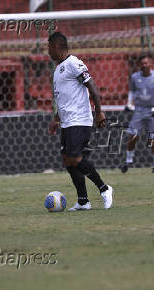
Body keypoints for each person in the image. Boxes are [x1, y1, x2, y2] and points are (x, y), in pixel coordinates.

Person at [47, 32, 113, 211]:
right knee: (68, 160)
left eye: (48, 48)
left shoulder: (73, 63)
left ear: (56, 47)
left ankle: (104, 188)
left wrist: (99, 112)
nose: (47, 52)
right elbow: (62, 99)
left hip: (80, 120)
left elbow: (91, 85)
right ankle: (83, 201)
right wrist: (55, 119)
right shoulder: (58, 70)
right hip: (67, 122)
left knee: (75, 158)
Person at [122, 54, 154, 174]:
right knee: (132, 135)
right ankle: (128, 161)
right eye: (142, 63)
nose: (144, 65)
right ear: (139, 65)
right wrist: (129, 104)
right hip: (139, 110)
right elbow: (132, 91)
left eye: (146, 63)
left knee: (152, 139)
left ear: (150, 64)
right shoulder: (134, 77)